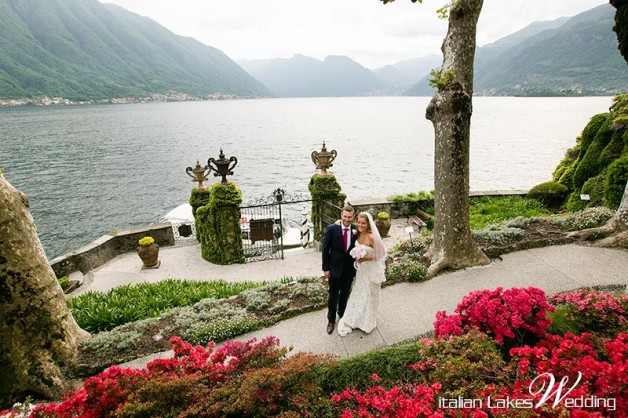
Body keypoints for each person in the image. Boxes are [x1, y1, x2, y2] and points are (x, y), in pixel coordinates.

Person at [337, 212, 386, 336]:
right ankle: (357, 318)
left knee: (370, 295)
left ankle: (367, 322)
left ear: (368, 224)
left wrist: (364, 258)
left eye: (363, 223)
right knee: (359, 293)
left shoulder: (372, 237)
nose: (360, 225)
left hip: (371, 270)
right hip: (361, 271)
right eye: (358, 222)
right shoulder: (356, 232)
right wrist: (337, 223)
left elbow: (381, 254)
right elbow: (345, 225)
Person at [322, 205, 357, 334]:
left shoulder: (356, 229)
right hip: (334, 269)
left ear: (353, 217)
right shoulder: (332, 229)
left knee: (345, 295)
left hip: (349, 270)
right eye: (345, 216)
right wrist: (325, 268)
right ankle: (331, 320)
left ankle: (342, 315)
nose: (347, 219)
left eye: (349, 217)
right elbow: (325, 250)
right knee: (333, 296)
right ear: (341, 216)